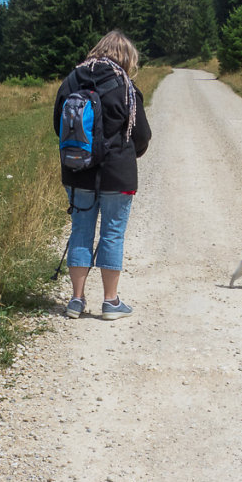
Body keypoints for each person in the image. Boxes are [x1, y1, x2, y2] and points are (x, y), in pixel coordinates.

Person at [53, 31, 152, 320]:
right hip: (117, 174)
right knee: (112, 234)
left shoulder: (71, 80)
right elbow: (142, 135)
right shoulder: (126, 86)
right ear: (126, 57)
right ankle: (110, 302)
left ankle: (75, 300)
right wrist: (128, 153)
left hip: (77, 170)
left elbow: (60, 127)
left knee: (80, 231)